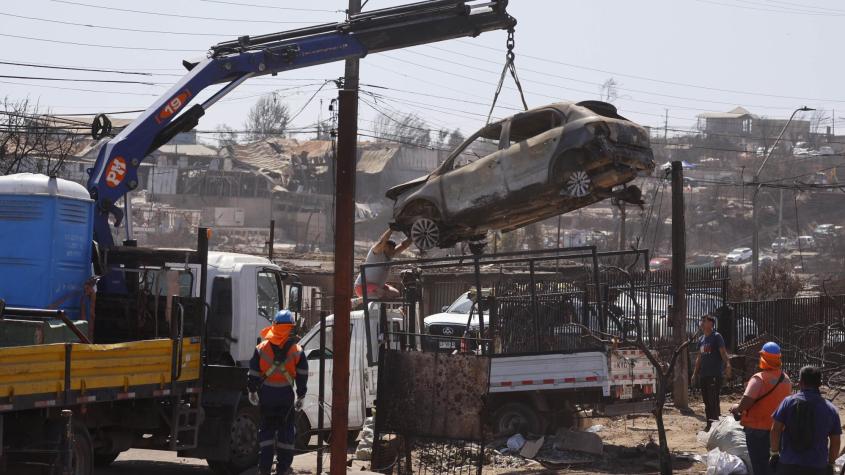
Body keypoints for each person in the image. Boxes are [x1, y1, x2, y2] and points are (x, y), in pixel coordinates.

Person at [248, 310, 309, 475]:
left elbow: (253, 373)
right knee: (286, 435)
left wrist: (252, 391)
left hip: (266, 396)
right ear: (291, 328)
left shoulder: (261, 348)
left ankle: (265, 469)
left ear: (274, 325)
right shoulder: (297, 350)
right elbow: (302, 375)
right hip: (285, 398)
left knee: (266, 433)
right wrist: (301, 394)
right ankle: (282, 470)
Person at [729, 342, 791, 475]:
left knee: (759, 465)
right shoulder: (786, 379)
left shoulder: (758, 379)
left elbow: (747, 401)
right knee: (775, 464)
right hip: (779, 430)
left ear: (763, 358)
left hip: (758, 430)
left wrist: (737, 408)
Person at [770, 366, 841, 475]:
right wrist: (831, 464)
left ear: (800, 382)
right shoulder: (830, 409)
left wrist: (774, 453)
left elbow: (776, 429)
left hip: (789, 464)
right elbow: (835, 442)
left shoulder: (788, 402)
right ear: (820, 383)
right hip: (817, 466)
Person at [691, 314, 732, 432]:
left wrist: (728, 365)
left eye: (704, 321)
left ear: (711, 323)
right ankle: (709, 425)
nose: (702, 323)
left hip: (714, 374)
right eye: (701, 320)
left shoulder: (717, 337)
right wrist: (695, 373)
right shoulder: (701, 339)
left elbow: (723, 353)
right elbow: (699, 357)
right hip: (704, 374)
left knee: (713, 400)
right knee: (706, 401)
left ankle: (716, 427)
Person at [354, 228, 412, 300]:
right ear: (384, 247)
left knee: (395, 293)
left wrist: (413, 236)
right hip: (362, 286)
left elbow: (403, 246)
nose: (391, 249)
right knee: (382, 293)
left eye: (392, 248)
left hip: (378, 286)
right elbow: (382, 241)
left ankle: (389, 309)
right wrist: (391, 229)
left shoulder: (390, 255)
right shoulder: (375, 253)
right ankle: (362, 302)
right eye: (389, 247)